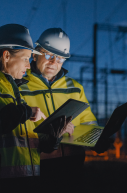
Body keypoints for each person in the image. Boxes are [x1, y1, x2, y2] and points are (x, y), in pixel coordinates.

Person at [0, 24, 70, 191]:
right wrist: (25, 111)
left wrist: (53, 138)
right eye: (25, 58)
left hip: (29, 183)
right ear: (6, 56)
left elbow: (33, 145)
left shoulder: (21, 94)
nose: (28, 65)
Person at [19, 28, 110, 186]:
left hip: (73, 165)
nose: (54, 62)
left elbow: (87, 121)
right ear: (35, 54)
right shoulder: (19, 87)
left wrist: (97, 138)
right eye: (49, 55)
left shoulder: (75, 87)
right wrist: (49, 137)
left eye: (60, 59)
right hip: (38, 168)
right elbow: (16, 132)